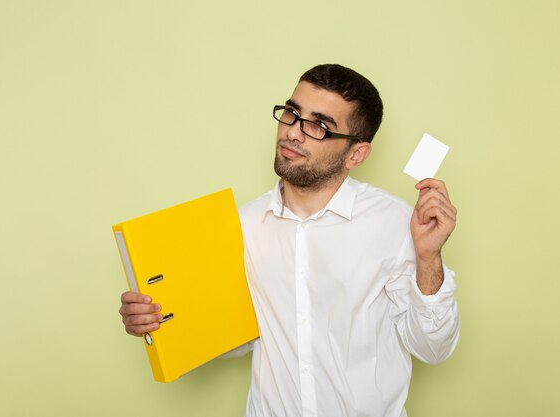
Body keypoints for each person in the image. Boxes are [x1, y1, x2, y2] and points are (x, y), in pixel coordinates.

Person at [119, 64, 460, 417]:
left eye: (319, 125)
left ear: (356, 154)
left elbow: (433, 350)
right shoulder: (243, 224)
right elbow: (236, 336)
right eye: (292, 114)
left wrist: (429, 258)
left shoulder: (395, 223)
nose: (294, 133)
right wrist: (157, 319)